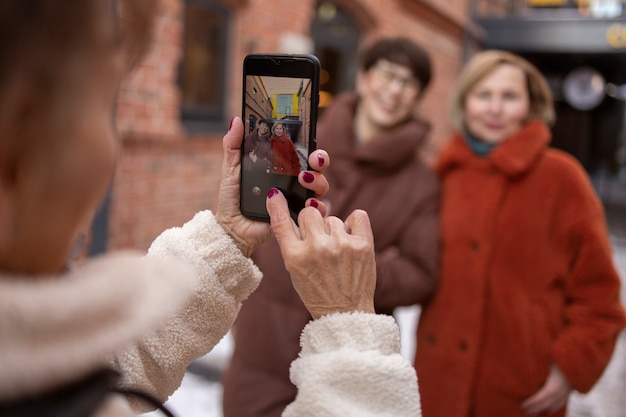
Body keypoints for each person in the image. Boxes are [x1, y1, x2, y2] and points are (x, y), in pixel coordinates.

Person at [0, 2, 424, 417]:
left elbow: (105, 366)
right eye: (102, 100)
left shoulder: (30, 364)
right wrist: (349, 329)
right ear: (17, 144)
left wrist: (231, 238)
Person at [222, 36, 440, 417]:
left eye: (408, 83)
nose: (394, 89)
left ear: (417, 96)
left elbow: (420, 273)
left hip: (343, 353)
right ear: (366, 77)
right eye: (387, 74)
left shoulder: (422, 181)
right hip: (263, 340)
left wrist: (354, 265)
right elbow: (259, 208)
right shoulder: (301, 137)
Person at [414, 49, 626, 417]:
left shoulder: (562, 178)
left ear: (530, 106)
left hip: (521, 388)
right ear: (465, 104)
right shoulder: (442, 176)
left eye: (509, 96)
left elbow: (600, 298)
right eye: (483, 95)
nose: (494, 108)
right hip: (437, 380)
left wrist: (570, 369)